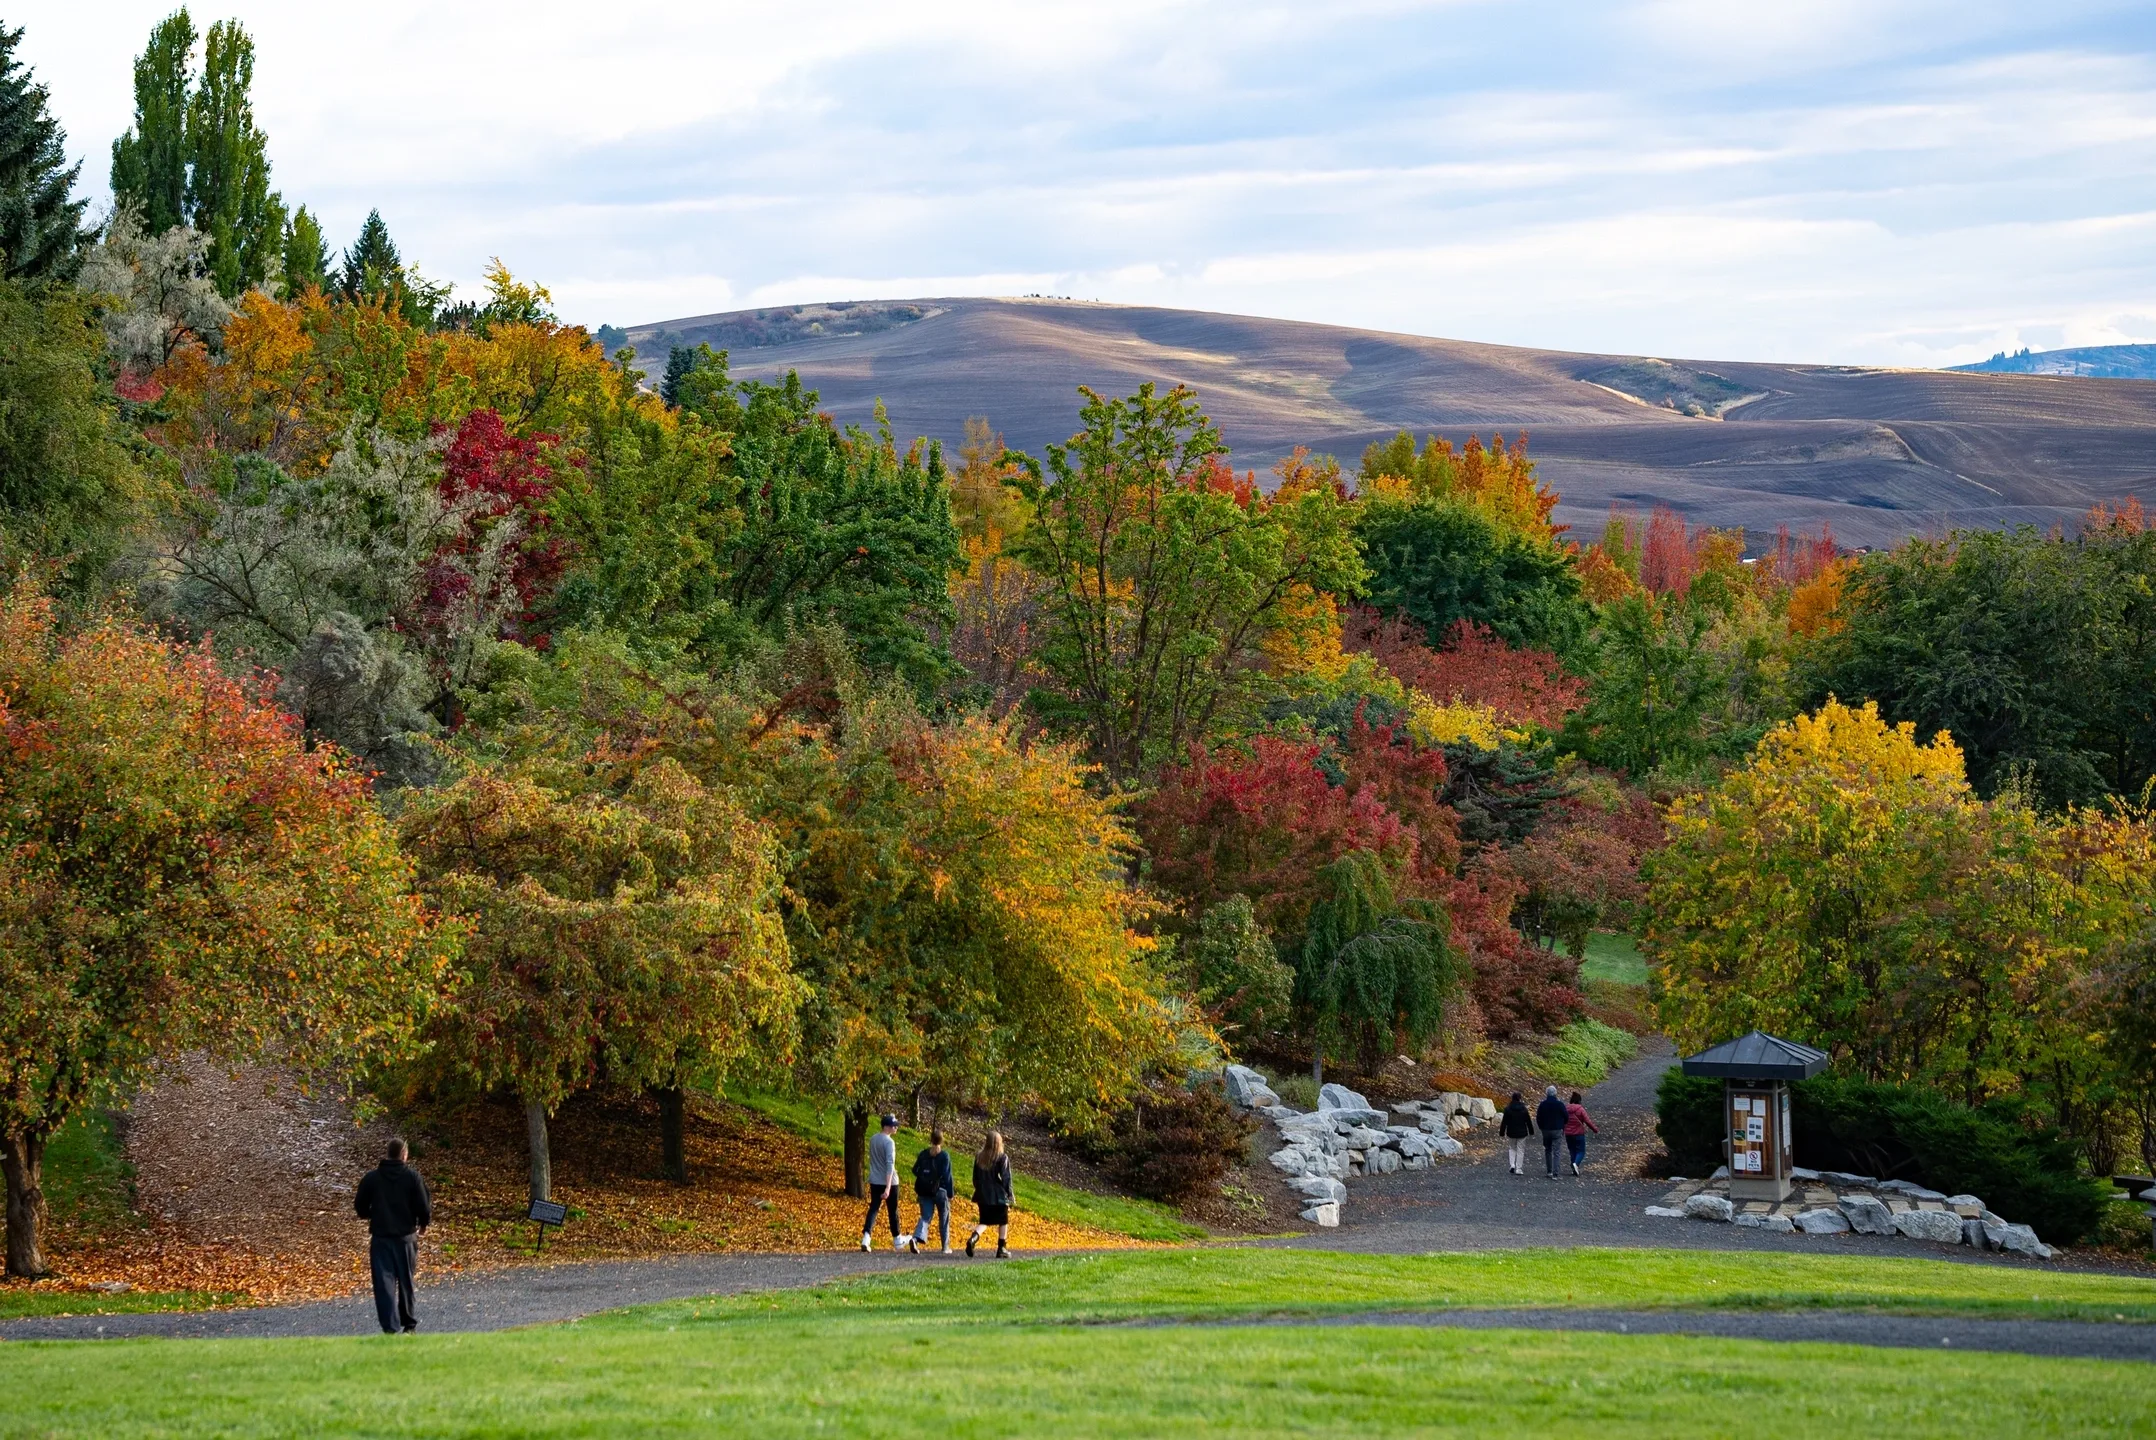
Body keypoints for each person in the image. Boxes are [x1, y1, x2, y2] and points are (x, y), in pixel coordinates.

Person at [353, 1137, 431, 1334]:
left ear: (387, 1154)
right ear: (404, 1154)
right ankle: (409, 1324)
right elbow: (424, 1205)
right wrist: (423, 1223)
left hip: (381, 1237)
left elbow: (360, 1205)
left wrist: (371, 1215)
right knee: (406, 1280)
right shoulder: (413, 1178)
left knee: (384, 1282)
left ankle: (390, 1326)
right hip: (406, 1236)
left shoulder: (372, 1178)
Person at [860, 1113, 908, 1252]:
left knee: (874, 1208)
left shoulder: (873, 1139)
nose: (896, 1128)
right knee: (892, 1211)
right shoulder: (889, 1142)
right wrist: (888, 1187)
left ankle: (866, 1237)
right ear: (886, 1127)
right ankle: (897, 1239)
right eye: (894, 1125)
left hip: (875, 1180)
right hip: (890, 1182)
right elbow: (889, 1164)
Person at [966, 1130, 1013, 1259]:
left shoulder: (979, 1157)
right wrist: (1009, 1195)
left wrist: (980, 1189)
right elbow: (1006, 1178)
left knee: (984, 1221)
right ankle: (1001, 1247)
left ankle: (973, 1238)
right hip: (998, 1195)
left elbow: (975, 1178)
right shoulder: (1002, 1157)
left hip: (982, 1194)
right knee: (1003, 1220)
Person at [911, 1128, 956, 1254]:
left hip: (924, 1190)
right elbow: (947, 1176)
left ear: (931, 1140)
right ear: (942, 1141)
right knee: (944, 1218)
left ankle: (915, 1239)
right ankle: (945, 1247)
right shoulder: (944, 1156)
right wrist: (950, 1193)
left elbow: (915, 1170)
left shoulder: (924, 1154)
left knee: (926, 1217)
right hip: (940, 1191)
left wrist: (924, 1177)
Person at [1535, 1085, 1568, 1181]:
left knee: (1548, 1150)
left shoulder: (1542, 1104)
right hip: (1557, 1129)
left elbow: (1538, 1118)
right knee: (1556, 1151)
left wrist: (1541, 1127)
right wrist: (1562, 1125)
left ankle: (1549, 1171)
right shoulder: (1560, 1104)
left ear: (1546, 1093)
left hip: (1545, 1130)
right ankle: (1555, 1173)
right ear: (1555, 1093)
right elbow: (1566, 1117)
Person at [1564, 1091, 1600, 1176]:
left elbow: (1563, 1120)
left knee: (1572, 1150)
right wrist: (1595, 1129)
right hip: (1578, 1133)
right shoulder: (1580, 1109)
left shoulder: (1565, 1108)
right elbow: (1587, 1121)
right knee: (1581, 1151)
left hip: (1568, 1134)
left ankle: (1574, 1167)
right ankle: (1576, 1164)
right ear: (1579, 1100)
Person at [1498, 1091, 1534, 1176]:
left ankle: (1512, 1165)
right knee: (1520, 1150)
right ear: (1520, 1099)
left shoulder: (1508, 1109)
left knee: (1512, 1148)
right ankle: (1518, 1168)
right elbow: (1528, 1121)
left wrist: (1502, 1132)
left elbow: (1504, 1122)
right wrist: (1531, 1131)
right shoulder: (1524, 1109)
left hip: (1511, 1131)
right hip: (1522, 1132)